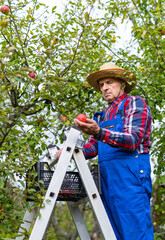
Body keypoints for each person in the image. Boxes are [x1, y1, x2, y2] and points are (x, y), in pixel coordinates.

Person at [56, 62, 154, 240]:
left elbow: (132, 140)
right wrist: (68, 151)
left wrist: (99, 132)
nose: (105, 88)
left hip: (130, 180)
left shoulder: (133, 103)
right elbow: (92, 148)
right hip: (108, 181)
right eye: (101, 85)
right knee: (114, 234)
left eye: (109, 82)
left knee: (136, 233)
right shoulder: (102, 115)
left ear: (122, 83)